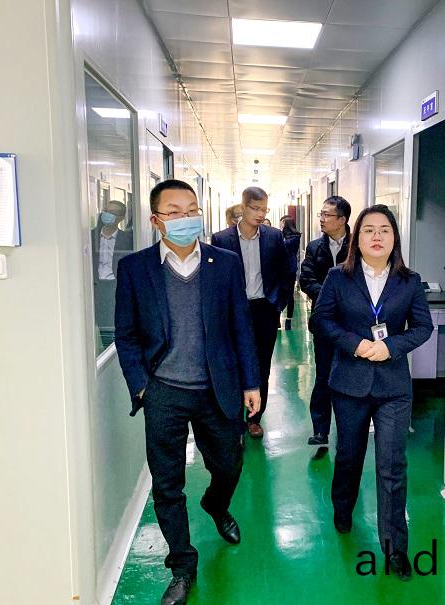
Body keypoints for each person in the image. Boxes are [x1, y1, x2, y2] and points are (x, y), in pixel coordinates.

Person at [114, 179, 261, 605]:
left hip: (218, 387)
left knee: (229, 464)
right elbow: (126, 335)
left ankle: (215, 504)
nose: (186, 218)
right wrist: (141, 387)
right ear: (155, 220)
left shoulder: (224, 263)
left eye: (192, 209)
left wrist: (251, 382)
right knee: (167, 484)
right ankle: (182, 565)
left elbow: (241, 327)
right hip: (163, 392)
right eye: (174, 212)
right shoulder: (136, 269)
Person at [312, 204, 433, 581]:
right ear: (357, 238)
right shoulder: (338, 277)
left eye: (384, 229)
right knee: (349, 455)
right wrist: (355, 344)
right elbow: (320, 320)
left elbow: (423, 327)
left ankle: (396, 548)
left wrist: (391, 347)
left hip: (393, 386)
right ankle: (342, 508)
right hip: (349, 383)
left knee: (392, 464)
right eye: (369, 230)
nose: (377, 236)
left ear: (395, 237)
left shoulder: (409, 281)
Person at [211, 187, 293, 439]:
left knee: (261, 365)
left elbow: (286, 272)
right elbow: (216, 279)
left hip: (264, 309)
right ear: (243, 207)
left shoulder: (273, 237)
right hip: (234, 311)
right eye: (255, 208)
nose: (260, 214)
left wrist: (277, 304)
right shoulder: (222, 239)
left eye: (264, 209)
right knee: (233, 364)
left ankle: (254, 418)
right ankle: (235, 419)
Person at [299, 196, 351, 445]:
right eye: (321, 214)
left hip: (352, 324)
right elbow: (306, 279)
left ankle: (348, 428)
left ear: (342, 219)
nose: (321, 219)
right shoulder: (314, 247)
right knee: (324, 376)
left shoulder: (357, 246)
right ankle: (320, 430)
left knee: (350, 376)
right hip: (324, 323)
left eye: (327, 215)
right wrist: (330, 297)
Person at [91, 200, 133, 347]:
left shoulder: (127, 240)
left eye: (113, 213)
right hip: (96, 287)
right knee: (99, 323)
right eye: (106, 210)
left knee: (115, 324)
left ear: (120, 218)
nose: (107, 215)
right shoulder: (90, 237)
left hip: (115, 287)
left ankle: (114, 349)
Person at [279, 215, 302, 330]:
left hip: (289, 269)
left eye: (282, 223)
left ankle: (288, 320)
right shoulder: (280, 235)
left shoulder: (295, 237)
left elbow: (284, 247)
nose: (281, 225)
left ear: (286, 224)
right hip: (280, 268)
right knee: (279, 293)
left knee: (289, 295)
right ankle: (277, 317)